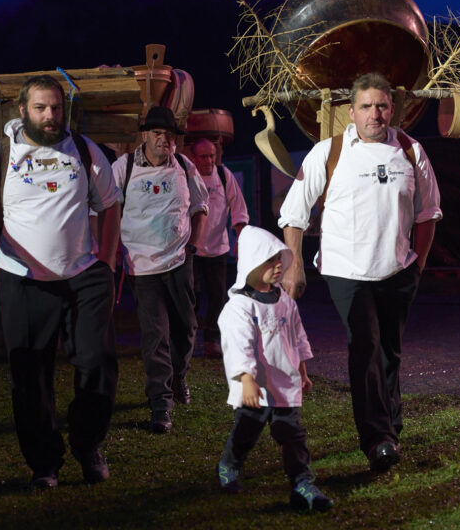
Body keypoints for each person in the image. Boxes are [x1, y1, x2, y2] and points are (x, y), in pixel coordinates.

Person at [0, 74, 121, 489]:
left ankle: (87, 444)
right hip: (21, 277)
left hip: (83, 274)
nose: (50, 116)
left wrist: (107, 261)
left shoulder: (84, 150)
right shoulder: (0, 153)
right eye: (41, 108)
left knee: (98, 363)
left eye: (56, 108)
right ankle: (44, 462)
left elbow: (110, 204)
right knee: (30, 373)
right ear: (23, 110)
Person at [279, 72, 442, 472]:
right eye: (366, 106)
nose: (375, 114)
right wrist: (294, 263)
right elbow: (293, 214)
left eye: (382, 106)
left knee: (389, 350)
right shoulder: (328, 152)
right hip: (346, 271)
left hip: (397, 269)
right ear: (350, 112)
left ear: (392, 109)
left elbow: (428, 213)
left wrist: (417, 266)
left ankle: (391, 430)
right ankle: (377, 440)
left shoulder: (410, 151)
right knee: (365, 345)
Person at [216, 225, 332, 512]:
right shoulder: (239, 307)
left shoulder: (285, 302)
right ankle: (229, 464)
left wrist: (302, 371)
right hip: (255, 387)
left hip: (284, 383)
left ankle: (302, 484)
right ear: (252, 262)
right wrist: (246, 379)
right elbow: (239, 346)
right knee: (247, 430)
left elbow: (298, 337)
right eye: (270, 260)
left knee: (291, 434)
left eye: (280, 259)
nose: (279, 265)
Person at [112, 106, 208, 434]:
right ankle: (160, 402)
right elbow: (108, 209)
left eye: (169, 134)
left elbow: (200, 207)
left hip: (180, 260)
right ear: (145, 135)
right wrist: (112, 253)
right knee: (155, 335)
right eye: (157, 133)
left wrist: (192, 246)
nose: (163, 139)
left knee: (187, 327)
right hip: (141, 266)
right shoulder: (123, 168)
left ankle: (178, 375)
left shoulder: (183, 165)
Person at [189, 138, 249, 358]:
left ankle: (212, 341)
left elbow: (239, 209)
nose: (209, 161)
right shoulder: (187, 177)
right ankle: (188, 339)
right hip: (191, 249)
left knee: (218, 297)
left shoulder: (224, 175)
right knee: (191, 295)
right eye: (204, 156)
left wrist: (241, 240)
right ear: (194, 158)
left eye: (212, 156)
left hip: (218, 248)